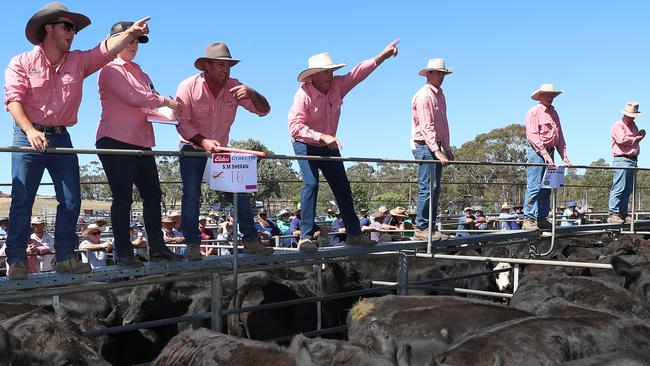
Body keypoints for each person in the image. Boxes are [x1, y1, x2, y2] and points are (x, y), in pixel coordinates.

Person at [3, 3, 150, 279]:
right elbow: (13, 100)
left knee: (71, 200)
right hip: (26, 136)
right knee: (22, 200)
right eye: (67, 27)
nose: (73, 33)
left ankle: (66, 257)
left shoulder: (79, 61)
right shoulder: (20, 62)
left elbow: (105, 50)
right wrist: (31, 131)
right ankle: (17, 260)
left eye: (74, 29)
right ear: (48, 28)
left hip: (61, 137)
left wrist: (130, 33)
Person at [288, 40, 399, 252]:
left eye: (331, 71)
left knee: (343, 187)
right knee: (310, 184)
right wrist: (321, 136)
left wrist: (381, 56)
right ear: (312, 77)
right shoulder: (303, 95)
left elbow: (358, 73)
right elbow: (294, 127)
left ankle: (354, 234)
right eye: (324, 72)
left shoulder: (338, 86)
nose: (329, 75)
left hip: (328, 143)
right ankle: (305, 237)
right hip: (305, 143)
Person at [96, 21, 183, 267]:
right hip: (115, 139)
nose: (133, 46)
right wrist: (167, 102)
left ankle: (157, 247)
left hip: (141, 141)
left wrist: (169, 113)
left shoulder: (140, 72)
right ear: (115, 41)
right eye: (129, 40)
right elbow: (133, 97)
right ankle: (123, 251)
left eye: (136, 42)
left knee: (153, 195)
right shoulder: (110, 69)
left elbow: (147, 104)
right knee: (123, 197)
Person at [175, 42, 273, 259]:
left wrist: (252, 92)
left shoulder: (236, 87)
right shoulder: (187, 86)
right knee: (191, 193)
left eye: (228, 66)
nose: (225, 70)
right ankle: (192, 244)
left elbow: (263, 111)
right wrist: (203, 141)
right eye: (220, 65)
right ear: (206, 66)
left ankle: (250, 240)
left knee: (239, 193)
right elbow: (182, 123)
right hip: (192, 146)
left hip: (220, 151)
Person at [411, 58, 455, 242]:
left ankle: (429, 227)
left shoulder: (439, 95)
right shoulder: (424, 96)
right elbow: (427, 126)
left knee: (434, 188)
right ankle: (422, 227)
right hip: (424, 145)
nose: (441, 76)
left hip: (434, 145)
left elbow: (442, 124)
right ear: (428, 74)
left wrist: (446, 147)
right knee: (428, 187)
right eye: (438, 73)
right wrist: (437, 150)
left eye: (442, 73)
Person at [522, 84, 572, 231]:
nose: (550, 98)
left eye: (552, 95)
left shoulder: (554, 113)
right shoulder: (534, 112)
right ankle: (529, 219)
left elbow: (559, 136)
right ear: (541, 96)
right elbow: (532, 136)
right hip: (537, 153)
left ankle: (541, 217)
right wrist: (543, 153)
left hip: (550, 152)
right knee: (534, 185)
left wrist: (564, 156)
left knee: (546, 187)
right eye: (547, 95)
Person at [608, 101, 645, 224]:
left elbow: (630, 141)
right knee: (619, 187)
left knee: (628, 188)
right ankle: (613, 213)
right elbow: (622, 139)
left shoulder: (633, 126)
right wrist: (637, 138)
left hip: (632, 160)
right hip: (622, 159)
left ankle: (622, 213)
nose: (632, 117)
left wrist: (637, 137)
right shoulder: (618, 125)